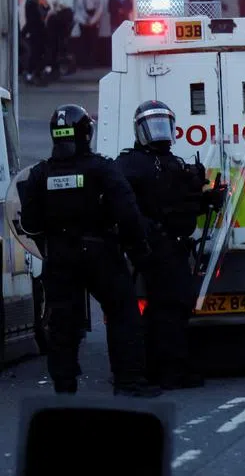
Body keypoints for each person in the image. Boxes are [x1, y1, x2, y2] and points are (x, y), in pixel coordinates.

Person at [18, 104, 161, 397]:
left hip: (59, 256)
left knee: (61, 324)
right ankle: (128, 382)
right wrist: (138, 249)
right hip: (100, 253)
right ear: (87, 134)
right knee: (122, 313)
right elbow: (128, 213)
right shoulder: (102, 169)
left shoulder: (39, 174)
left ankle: (64, 389)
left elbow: (29, 223)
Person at [116, 101, 226, 389]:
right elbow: (127, 207)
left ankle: (168, 367)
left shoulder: (174, 162)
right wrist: (146, 233)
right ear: (140, 130)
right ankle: (168, 371)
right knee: (169, 309)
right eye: (153, 126)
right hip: (155, 247)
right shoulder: (131, 164)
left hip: (174, 246)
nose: (159, 132)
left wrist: (207, 200)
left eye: (163, 125)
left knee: (172, 308)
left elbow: (181, 205)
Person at [72, 0, 104, 68]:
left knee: (93, 43)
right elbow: (76, 10)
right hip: (83, 22)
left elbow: (100, 8)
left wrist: (93, 21)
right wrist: (83, 21)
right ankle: (84, 63)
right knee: (84, 43)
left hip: (94, 22)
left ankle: (93, 63)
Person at [23, 0, 49, 83]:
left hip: (36, 29)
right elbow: (40, 16)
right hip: (36, 30)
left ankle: (36, 72)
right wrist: (44, 6)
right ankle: (32, 74)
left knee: (39, 52)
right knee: (36, 52)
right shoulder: (34, 0)